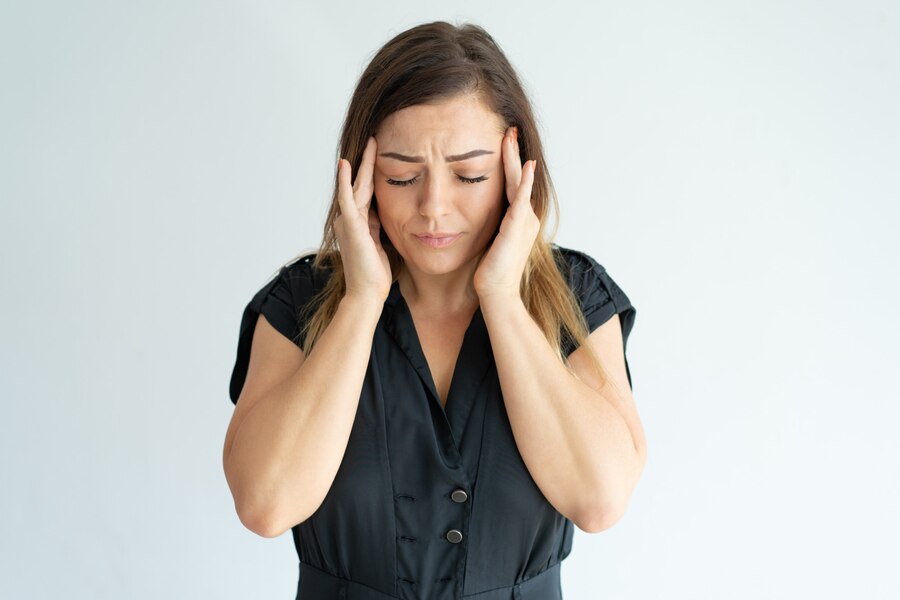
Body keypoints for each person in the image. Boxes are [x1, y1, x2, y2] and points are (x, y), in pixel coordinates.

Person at [224, 20, 647, 600]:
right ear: (362, 176)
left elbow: (600, 501)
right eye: (402, 177)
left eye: (469, 175)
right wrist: (361, 299)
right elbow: (265, 505)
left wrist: (502, 297)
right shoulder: (300, 301)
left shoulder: (576, 296)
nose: (434, 207)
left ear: (516, 171)